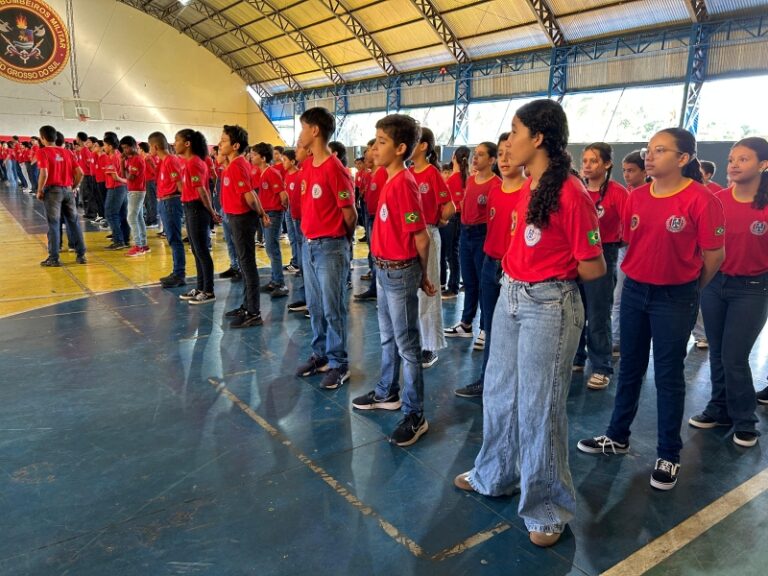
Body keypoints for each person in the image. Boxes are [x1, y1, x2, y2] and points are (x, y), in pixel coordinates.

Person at [453, 99, 606, 548]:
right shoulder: (528, 185)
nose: (508, 141)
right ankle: (495, 474)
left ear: (538, 138)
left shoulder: (572, 193)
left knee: (540, 407)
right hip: (512, 295)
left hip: (550, 304)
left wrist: (552, 274)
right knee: (500, 391)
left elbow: (594, 267)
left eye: (515, 131)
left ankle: (547, 508)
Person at [578, 128, 725, 491]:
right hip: (634, 292)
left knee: (668, 376)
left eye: (660, 150)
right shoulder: (637, 196)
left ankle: (668, 454)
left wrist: (689, 287)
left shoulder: (702, 200)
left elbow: (714, 255)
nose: (650, 155)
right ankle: (617, 435)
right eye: (649, 149)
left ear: (683, 159)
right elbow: (634, 244)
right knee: (629, 366)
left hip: (675, 297)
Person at [352, 113, 436, 446]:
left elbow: (422, 236)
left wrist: (422, 275)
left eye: (382, 142)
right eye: (375, 141)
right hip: (384, 269)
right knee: (388, 338)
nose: (374, 148)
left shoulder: (404, 183)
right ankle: (388, 392)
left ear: (401, 148)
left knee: (408, 346)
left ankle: (415, 414)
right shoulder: (388, 179)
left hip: (400, 272)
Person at [688, 137, 768, 448]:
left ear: (763, 164)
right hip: (715, 285)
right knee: (719, 353)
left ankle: (745, 420)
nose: (734, 164)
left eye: (743, 159)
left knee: (735, 356)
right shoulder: (717, 199)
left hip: (753, 289)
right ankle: (719, 408)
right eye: (732, 158)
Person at [455, 133, 526, 398]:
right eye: (503, 154)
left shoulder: (528, 191)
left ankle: (514, 384)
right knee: (492, 326)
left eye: (511, 152)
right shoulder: (494, 189)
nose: (506, 159)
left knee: (515, 330)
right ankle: (487, 380)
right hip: (489, 263)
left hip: (514, 270)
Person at [294, 107, 357, 389]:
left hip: (330, 247)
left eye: (303, 127)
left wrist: (340, 241)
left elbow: (350, 214)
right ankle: (320, 355)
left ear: (315, 130)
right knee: (316, 307)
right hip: (309, 246)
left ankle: (339, 363)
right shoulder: (308, 165)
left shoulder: (335, 169)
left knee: (333, 309)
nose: (300, 134)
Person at [573, 143, 629, 389]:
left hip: (603, 253)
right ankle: (576, 356)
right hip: (575, 254)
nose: (587, 165)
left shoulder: (618, 193)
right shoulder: (577, 190)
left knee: (598, 313)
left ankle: (602, 365)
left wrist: (613, 245)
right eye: (584, 160)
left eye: (594, 160)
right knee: (576, 310)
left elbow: (628, 231)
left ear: (607, 164)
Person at [444, 142, 501, 353]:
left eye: (481, 155)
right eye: (475, 154)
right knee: (469, 282)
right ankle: (466, 323)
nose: (475, 158)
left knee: (485, 284)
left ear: (492, 160)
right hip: (465, 233)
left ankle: (486, 328)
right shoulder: (469, 180)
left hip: (482, 234)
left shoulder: (495, 184)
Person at [409, 127, 453, 368]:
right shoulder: (408, 173)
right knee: (413, 292)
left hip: (427, 233)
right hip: (410, 237)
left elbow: (450, 206)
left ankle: (430, 346)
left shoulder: (431, 174)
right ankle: (417, 340)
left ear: (423, 145)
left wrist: (438, 220)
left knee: (429, 291)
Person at [220, 124, 268, 328]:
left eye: (224, 141)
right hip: (235, 218)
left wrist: (261, 213)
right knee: (243, 262)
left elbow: (249, 195)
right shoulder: (233, 165)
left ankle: (253, 311)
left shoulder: (238, 165)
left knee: (248, 265)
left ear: (236, 145)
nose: (220, 144)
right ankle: (246, 304)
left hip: (242, 220)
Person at [175, 129, 221, 305]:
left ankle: (208, 291)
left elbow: (202, 191)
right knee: (195, 250)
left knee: (201, 250)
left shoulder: (195, 163)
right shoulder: (189, 163)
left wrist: (211, 212)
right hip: (189, 207)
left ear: (187, 143)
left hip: (197, 209)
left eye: (177, 140)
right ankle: (201, 287)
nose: (175, 144)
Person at [36, 125, 87, 267]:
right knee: (74, 222)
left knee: (53, 224)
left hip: (52, 191)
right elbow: (80, 173)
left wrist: (39, 190)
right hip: (68, 190)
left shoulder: (43, 152)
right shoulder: (68, 152)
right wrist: (74, 187)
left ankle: (54, 257)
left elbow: (44, 173)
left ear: (43, 138)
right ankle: (81, 255)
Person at [612, 150, 647, 356]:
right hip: (625, 251)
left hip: (643, 253)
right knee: (619, 298)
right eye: (624, 170)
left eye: (631, 171)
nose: (627, 175)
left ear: (644, 172)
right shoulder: (627, 193)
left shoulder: (647, 194)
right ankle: (616, 340)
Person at [251, 142, 290, 298]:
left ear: (263, 157)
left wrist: (280, 211)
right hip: (265, 212)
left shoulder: (271, 173)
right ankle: (275, 280)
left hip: (273, 213)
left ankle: (280, 283)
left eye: (254, 155)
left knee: (272, 248)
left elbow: (283, 196)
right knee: (269, 247)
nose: (251, 157)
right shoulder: (258, 172)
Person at [149, 131, 186, 288]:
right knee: (171, 238)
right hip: (165, 201)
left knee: (175, 239)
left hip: (171, 201)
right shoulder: (164, 161)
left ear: (155, 146)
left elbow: (179, 184)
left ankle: (179, 273)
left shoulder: (171, 161)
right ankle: (176, 271)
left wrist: (184, 201)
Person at [354, 140, 384, 300]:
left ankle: (377, 288)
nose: (368, 153)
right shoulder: (372, 173)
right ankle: (375, 285)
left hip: (378, 217)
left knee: (377, 253)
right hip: (371, 215)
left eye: (371, 149)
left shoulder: (383, 173)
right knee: (373, 252)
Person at [440, 147, 469, 299]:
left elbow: (455, 203)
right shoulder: (465, 178)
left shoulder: (454, 179)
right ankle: (448, 283)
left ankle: (453, 287)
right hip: (457, 219)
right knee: (451, 253)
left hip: (453, 219)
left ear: (454, 158)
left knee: (452, 254)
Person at [284, 148, 308, 312]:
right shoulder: (290, 175)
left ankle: (312, 302)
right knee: (297, 244)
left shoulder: (302, 174)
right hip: (292, 214)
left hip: (302, 217)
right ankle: (306, 297)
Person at [120, 136, 149, 256]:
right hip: (134, 190)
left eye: (127, 147)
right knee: (138, 218)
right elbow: (124, 173)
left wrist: (123, 166)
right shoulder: (130, 159)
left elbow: (130, 177)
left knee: (131, 218)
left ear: (133, 146)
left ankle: (138, 246)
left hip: (137, 191)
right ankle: (143, 244)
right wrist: (122, 162)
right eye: (123, 148)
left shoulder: (137, 159)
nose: (125, 150)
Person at [101, 132, 131, 250]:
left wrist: (117, 178)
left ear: (110, 146)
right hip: (123, 188)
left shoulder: (112, 158)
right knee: (123, 214)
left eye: (105, 145)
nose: (104, 147)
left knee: (111, 213)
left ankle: (118, 241)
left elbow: (113, 176)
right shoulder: (120, 155)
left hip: (115, 188)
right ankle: (125, 239)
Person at [139, 142, 159, 228]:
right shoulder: (143, 158)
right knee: (147, 201)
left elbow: (154, 171)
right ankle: (149, 218)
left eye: (138, 148)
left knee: (151, 201)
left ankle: (153, 221)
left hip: (150, 181)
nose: (137, 150)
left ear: (142, 149)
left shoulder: (148, 158)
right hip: (146, 181)